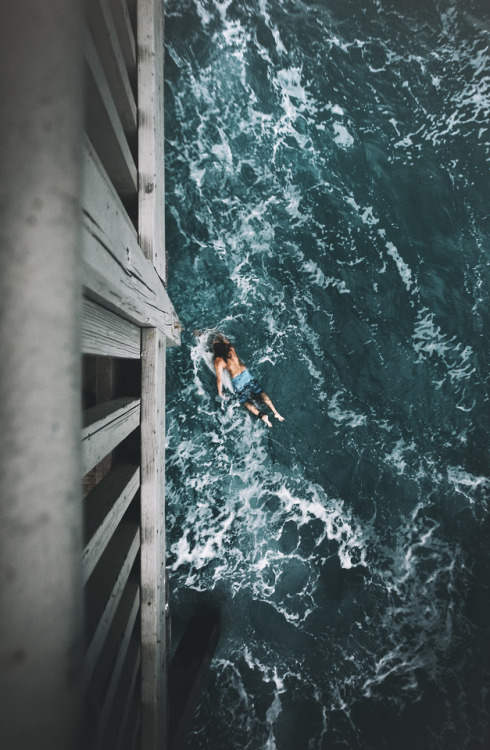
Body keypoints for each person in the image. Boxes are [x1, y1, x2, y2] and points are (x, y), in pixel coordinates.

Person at [212, 335, 284, 427]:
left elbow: (219, 379)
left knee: (245, 401)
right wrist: (216, 334)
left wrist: (220, 392)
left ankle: (261, 415)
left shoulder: (218, 360)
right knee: (260, 392)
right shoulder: (230, 348)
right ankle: (275, 412)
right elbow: (222, 337)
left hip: (237, 381)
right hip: (246, 375)